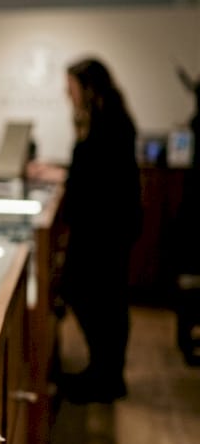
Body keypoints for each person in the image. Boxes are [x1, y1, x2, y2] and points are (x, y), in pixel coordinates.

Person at [29, 57, 141, 403]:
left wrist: (61, 175)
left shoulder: (109, 122)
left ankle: (106, 376)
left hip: (105, 228)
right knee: (101, 298)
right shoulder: (109, 119)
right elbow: (93, 173)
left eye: (71, 87)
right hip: (105, 225)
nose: (67, 94)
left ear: (87, 88)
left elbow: (98, 179)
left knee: (97, 297)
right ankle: (104, 371)